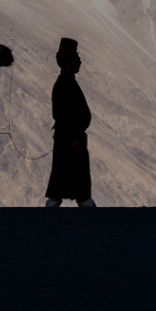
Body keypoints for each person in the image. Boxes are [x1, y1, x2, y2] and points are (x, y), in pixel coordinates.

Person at [44, 38, 96, 207]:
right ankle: (82, 201)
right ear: (68, 64)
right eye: (76, 59)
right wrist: (74, 136)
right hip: (70, 136)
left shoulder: (67, 81)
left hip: (69, 135)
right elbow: (62, 113)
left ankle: (69, 200)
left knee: (65, 169)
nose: (79, 62)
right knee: (72, 169)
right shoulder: (64, 84)